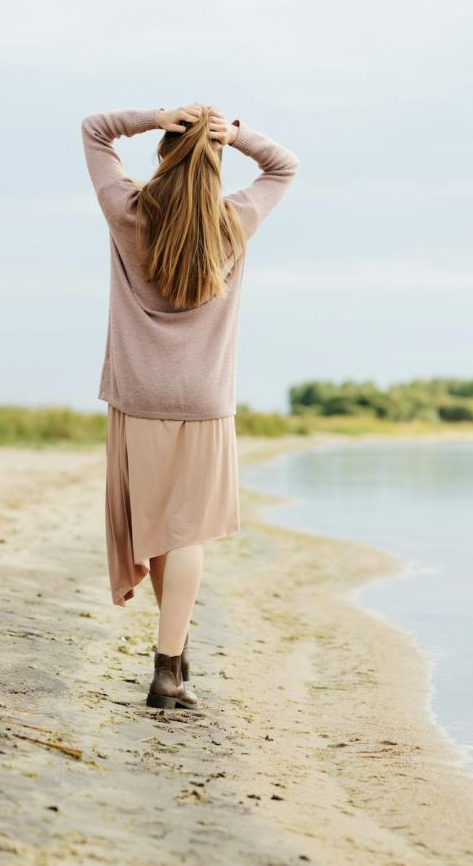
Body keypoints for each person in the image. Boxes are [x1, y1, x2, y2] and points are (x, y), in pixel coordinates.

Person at [80, 103, 300, 709]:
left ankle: (173, 658)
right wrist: (239, 134)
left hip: (138, 392)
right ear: (217, 164)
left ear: (164, 154)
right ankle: (168, 665)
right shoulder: (234, 222)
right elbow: (284, 167)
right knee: (187, 531)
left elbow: (95, 129)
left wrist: (156, 116)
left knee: (158, 527)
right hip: (204, 398)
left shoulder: (128, 211)